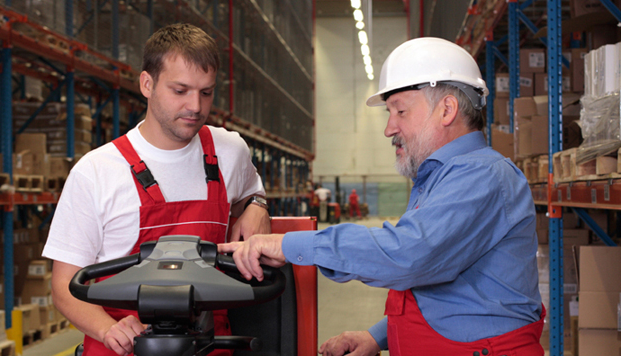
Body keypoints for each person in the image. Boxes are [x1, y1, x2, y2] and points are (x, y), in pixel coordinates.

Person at [219, 37, 543, 356]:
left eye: (400, 111)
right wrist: (377, 337)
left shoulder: (481, 175)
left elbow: (409, 255)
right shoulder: (441, 178)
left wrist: (291, 244)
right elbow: (455, 295)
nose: (389, 128)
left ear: (447, 109)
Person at [43, 23, 271, 356]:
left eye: (206, 92)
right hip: (125, 346)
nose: (195, 106)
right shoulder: (97, 171)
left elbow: (252, 195)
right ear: (147, 84)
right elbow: (63, 287)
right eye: (180, 90)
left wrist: (258, 204)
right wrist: (108, 329)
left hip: (211, 344)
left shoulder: (229, 150)